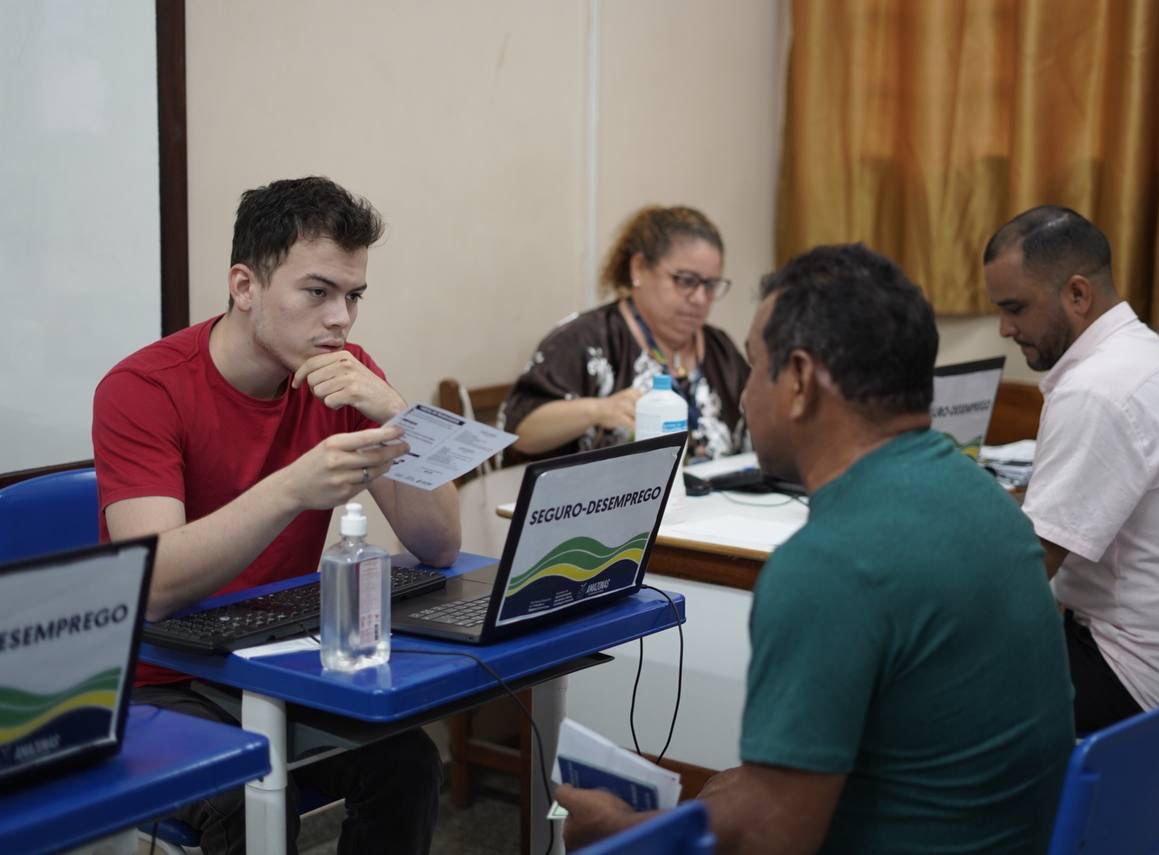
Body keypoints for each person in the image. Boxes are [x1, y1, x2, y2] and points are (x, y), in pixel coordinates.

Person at [558, 244, 1074, 854]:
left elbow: (771, 844)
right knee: (731, 785)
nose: (747, 394)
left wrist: (614, 831)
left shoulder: (830, 564)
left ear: (799, 380)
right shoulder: (987, 499)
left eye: (755, 367)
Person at [93, 176, 461, 854]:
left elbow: (438, 543)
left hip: (272, 663)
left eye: (353, 296)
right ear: (245, 287)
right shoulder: (142, 390)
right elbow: (153, 585)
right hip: (159, 681)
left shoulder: (343, 372)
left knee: (409, 763)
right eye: (317, 292)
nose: (341, 318)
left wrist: (395, 411)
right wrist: (292, 488)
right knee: (250, 791)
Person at [983, 205, 1159, 734]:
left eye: (1015, 308)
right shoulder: (1155, 358)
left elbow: (1027, 571)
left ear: (1077, 295)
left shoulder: (1097, 389)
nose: (1004, 328)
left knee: (921, 686)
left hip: (1141, 683)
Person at [499, 205, 749, 462]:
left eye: (710, 286)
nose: (699, 298)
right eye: (685, 280)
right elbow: (520, 432)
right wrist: (597, 410)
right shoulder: (585, 341)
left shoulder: (720, 349)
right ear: (638, 269)